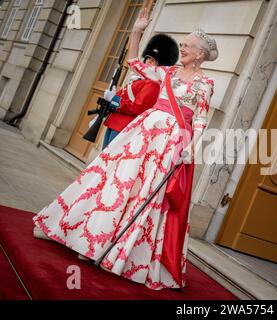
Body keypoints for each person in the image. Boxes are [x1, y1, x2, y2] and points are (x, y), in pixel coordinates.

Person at [32, 7, 217, 290]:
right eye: (181, 45)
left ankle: (116, 251)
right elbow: (134, 63)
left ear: (201, 54)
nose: (182, 49)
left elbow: (201, 118)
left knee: (145, 196)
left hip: (170, 144)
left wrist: (191, 148)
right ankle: (84, 237)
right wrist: (137, 31)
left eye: (187, 46)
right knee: (114, 182)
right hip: (144, 133)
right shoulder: (166, 72)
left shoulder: (206, 84)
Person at [101, 33, 179, 149]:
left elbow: (137, 107)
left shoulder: (153, 84)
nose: (148, 62)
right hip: (115, 122)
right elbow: (125, 96)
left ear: (160, 64)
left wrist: (114, 99)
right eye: (148, 58)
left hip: (124, 126)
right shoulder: (138, 79)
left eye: (153, 60)